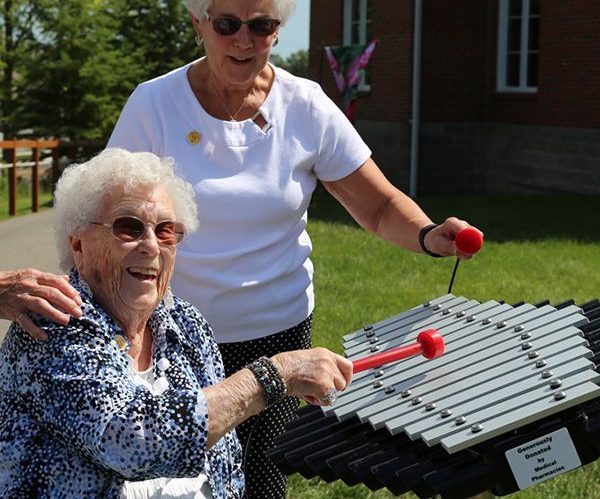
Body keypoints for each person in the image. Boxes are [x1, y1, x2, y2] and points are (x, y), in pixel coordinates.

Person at [0, 0, 481, 498]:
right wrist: (62, 308)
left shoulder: (305, 105)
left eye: (264, 25)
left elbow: (375, 203)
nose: (245, 39)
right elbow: (98, 213)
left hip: (277, 332)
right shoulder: (154, 104)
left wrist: (428, 234)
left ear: (280, 28)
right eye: (227, 23)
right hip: (169, 340)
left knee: (251, 481)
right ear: (198, 21)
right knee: (156, 472)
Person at [0, 148, 353, 498]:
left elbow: (224, 462)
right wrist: (275, 375)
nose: (151, 246)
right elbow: (134, 441)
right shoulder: (55, 319)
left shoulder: (186, 323)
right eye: (129, 227)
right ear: (78, 243)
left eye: (166, 231)